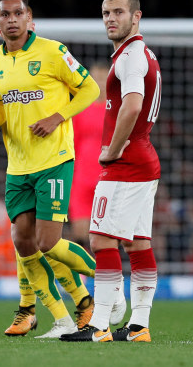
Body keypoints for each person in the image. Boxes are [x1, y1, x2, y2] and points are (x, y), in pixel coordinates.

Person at [0, 0, 101, 339]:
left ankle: (108, 282)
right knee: (24, 243)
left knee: (48, 242)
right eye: (6, 15)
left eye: (19, 13)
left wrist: (58, 118)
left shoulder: (53, 52)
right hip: (18, 166)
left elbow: (91, 90)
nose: (13, 20)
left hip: (54, 160)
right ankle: (62, 317)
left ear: (30, 17)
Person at [60, 0, 161, 343]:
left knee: (101, 239)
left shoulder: (131, 57)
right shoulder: (141, 54)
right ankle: (138, 326)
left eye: (118, 12)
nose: (110, 19)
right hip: (143, 160)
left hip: (126, 162)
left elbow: (132, 106)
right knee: (137, 245)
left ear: (136, 16)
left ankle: (99, 324)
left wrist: (112, 150)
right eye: (105, 13)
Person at [67, 63, 108, 248]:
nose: (98, 82)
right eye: (94, 78)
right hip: (82, 179)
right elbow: (71, 145)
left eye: (101, 78)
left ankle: (105, 275)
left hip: (107, 179)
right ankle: (81, 275)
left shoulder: (117, 109)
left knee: (104, 237)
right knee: (81, 234)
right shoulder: (80, 108)